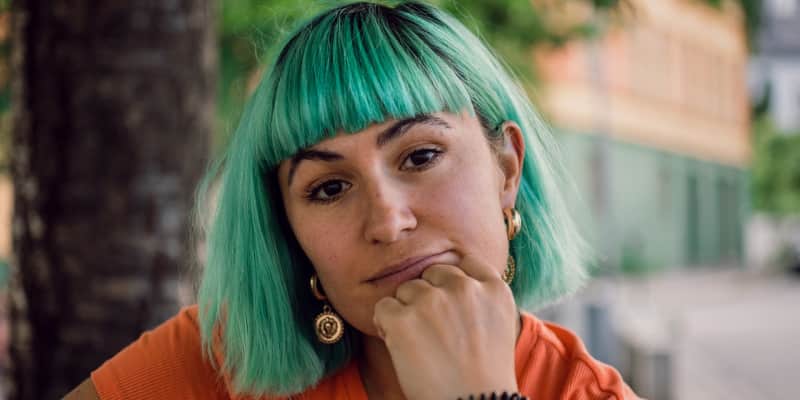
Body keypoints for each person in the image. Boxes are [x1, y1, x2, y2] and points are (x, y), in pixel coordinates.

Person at [66, 2, 640, 399]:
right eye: (329, 188)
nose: (388, 221)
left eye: (420, 156)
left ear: (507, 168)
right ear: (288, 226)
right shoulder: (220, 362)